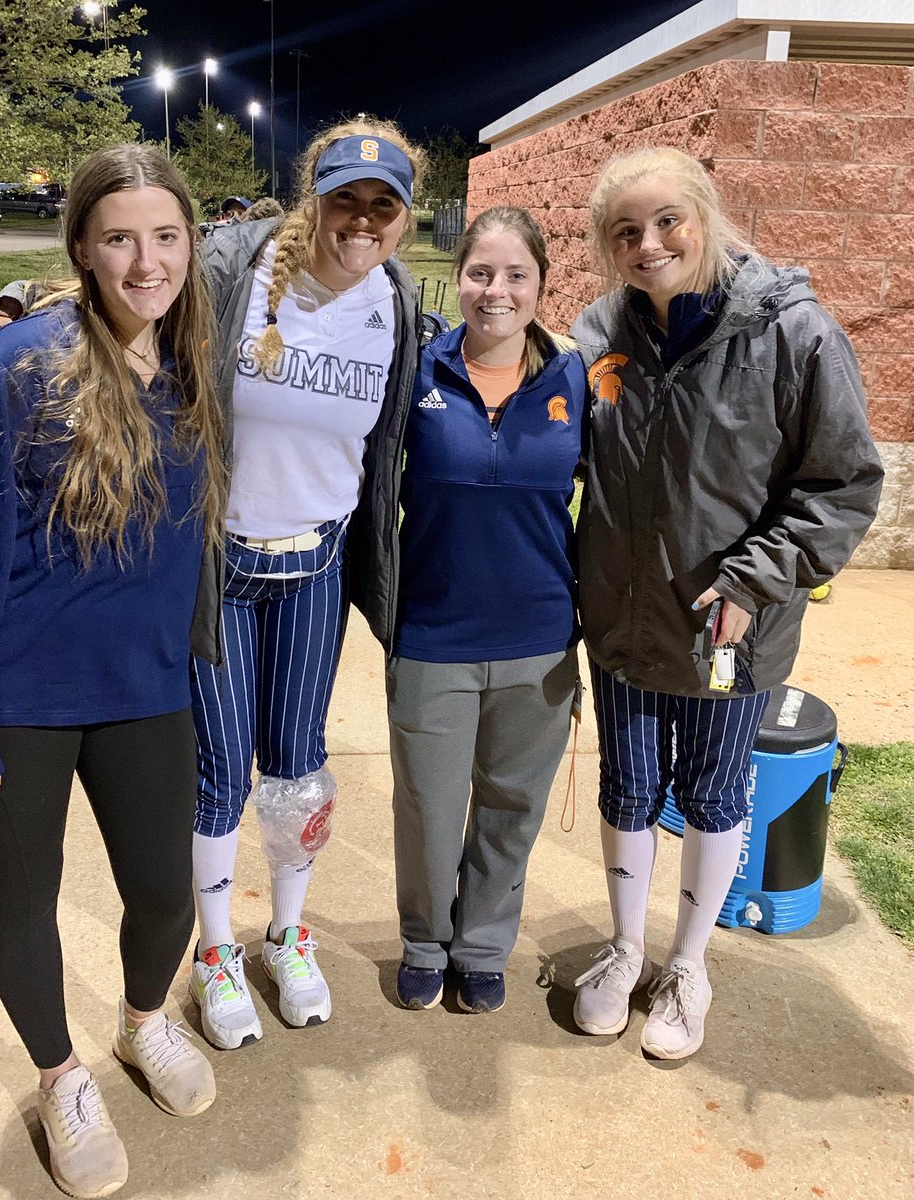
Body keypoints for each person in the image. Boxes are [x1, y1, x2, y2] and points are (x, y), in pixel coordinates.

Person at [0, 143, 225, 1198]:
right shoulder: (8, 370)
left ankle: (143, 1024)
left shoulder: (192, 362)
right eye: (121, 238)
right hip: (23, 701)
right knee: (24, 895)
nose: (148, 261)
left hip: (146, 689)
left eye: (167, 236)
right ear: (84, 246)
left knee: (162, 896)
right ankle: (61, 1077)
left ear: (191, 242)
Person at [569, 146, 883, 1059]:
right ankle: (625, 950)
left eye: (668, 220)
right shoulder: (600, 335)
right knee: (628, 785)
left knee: (710, 791)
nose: (649, 244)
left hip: (727, 626)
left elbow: (840, 485)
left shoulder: (794, 335)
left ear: (705, 213)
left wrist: (755, 576)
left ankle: (687, 965)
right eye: (625, 232)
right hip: (622, 617)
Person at [187, 118, 425, 1048]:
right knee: (218, 769)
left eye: (384, 204)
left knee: (297, 765)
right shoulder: (236, 275)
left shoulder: (396, 301)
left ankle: (286, 934)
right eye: (346, 198)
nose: (362, 220)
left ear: (404, 219)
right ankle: (213, 953)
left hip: (315, 562)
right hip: (222, 561)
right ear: (313, 197)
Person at [388, 206, 588, 1015]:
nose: (495, 291)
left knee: (512, 805)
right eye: (480, 273)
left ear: (542, 285)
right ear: (458, 276)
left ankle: (482, 946)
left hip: (539, 639)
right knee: (430, 808)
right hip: (433, 636)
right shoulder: (418, 372)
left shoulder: (576, 382)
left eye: (516, 276)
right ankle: (424, 940)